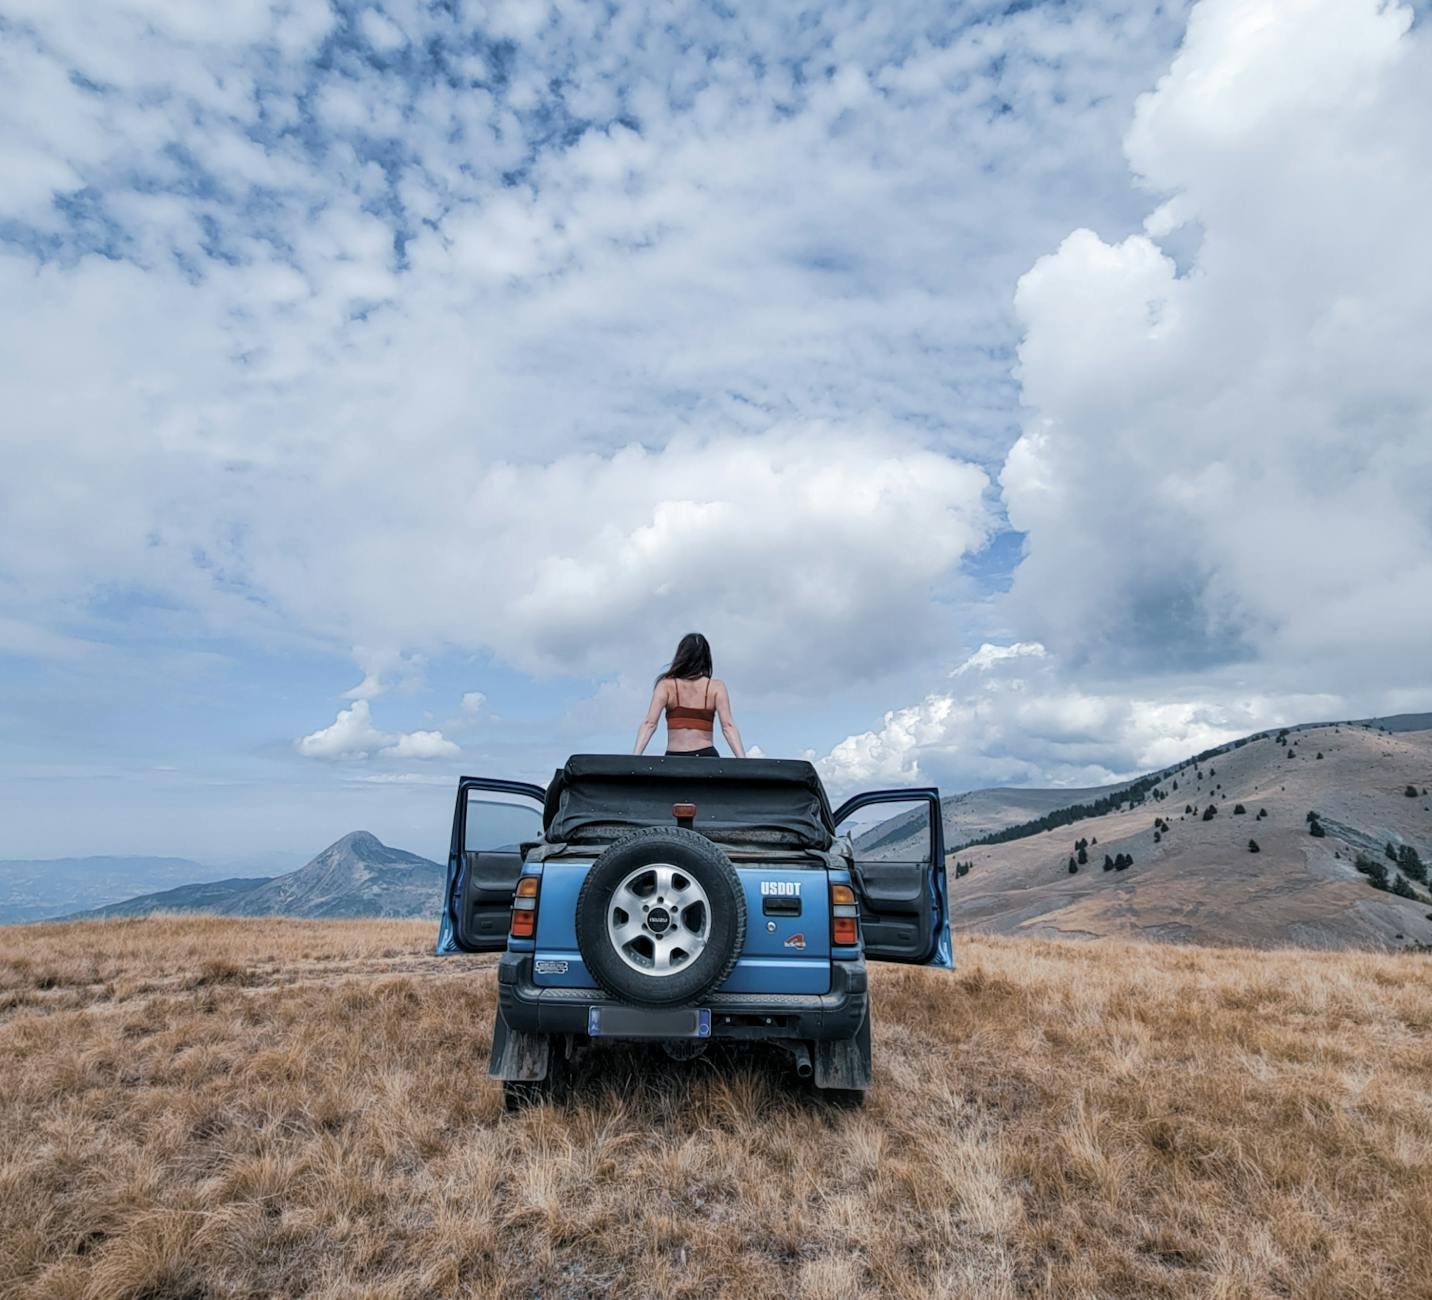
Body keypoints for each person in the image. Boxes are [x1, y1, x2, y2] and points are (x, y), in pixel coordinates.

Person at [633, 632, 746, 758]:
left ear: (682, 656)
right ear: (706, 658)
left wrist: (635, 757)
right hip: (706, 757)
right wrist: (742, 759)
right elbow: (728, 726)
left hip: (674, 758)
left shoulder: (666, 685)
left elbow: (649, 723)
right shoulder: (716, 687)